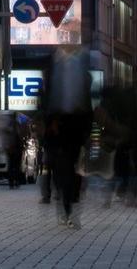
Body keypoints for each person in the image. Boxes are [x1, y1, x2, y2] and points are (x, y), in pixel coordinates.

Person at [45, 46, 92, 228]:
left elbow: (88, 101)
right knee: (61, 170)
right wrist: (49, 122)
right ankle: (67, 208)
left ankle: (71, 207)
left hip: (76, 124)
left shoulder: (83, 68)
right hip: (57, 125)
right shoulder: (52, 66)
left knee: (74, 170)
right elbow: (45, 98)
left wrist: (88, 129)